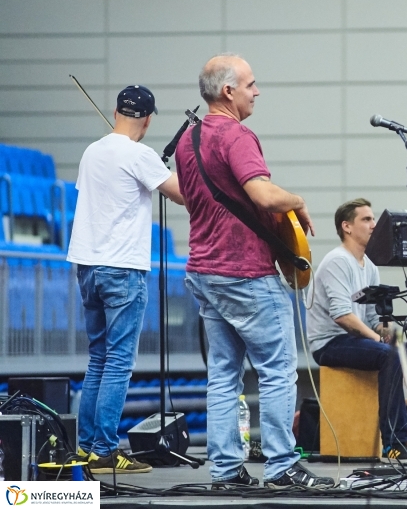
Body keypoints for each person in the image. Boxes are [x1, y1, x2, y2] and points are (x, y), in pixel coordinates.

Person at [175, 54, 333, 489]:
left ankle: (225, 470)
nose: (257, 91)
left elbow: (191, 198)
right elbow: (262, 195)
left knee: (223, 375)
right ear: (228, 91)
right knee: (278, 368)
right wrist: (297, 200)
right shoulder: (237, 135)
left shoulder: (188, 141)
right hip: (244, 272)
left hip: (205, 271)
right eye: (251, 84)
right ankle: (283, 466)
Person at [68, 85, 184, 473]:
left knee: (98, 359)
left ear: (116, 111)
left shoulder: (92, 151)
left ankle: (87, 447)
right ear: (148, 120)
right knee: (118, 362)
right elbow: (179, 194)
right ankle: (104, 451)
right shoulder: (140, 154)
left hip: (87, 265)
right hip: (122, 268)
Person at [306, 198, 407, 460]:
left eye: (373, 219)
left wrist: (387, 329)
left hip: (356, 340)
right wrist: (379, 339)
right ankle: (395, 442)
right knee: (389, 355)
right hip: (330, 343)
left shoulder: (371, 266)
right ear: (347, 226)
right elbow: (342, 316)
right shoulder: (337, 261)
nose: (374, 225)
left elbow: (369, 316)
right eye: (366, 219)